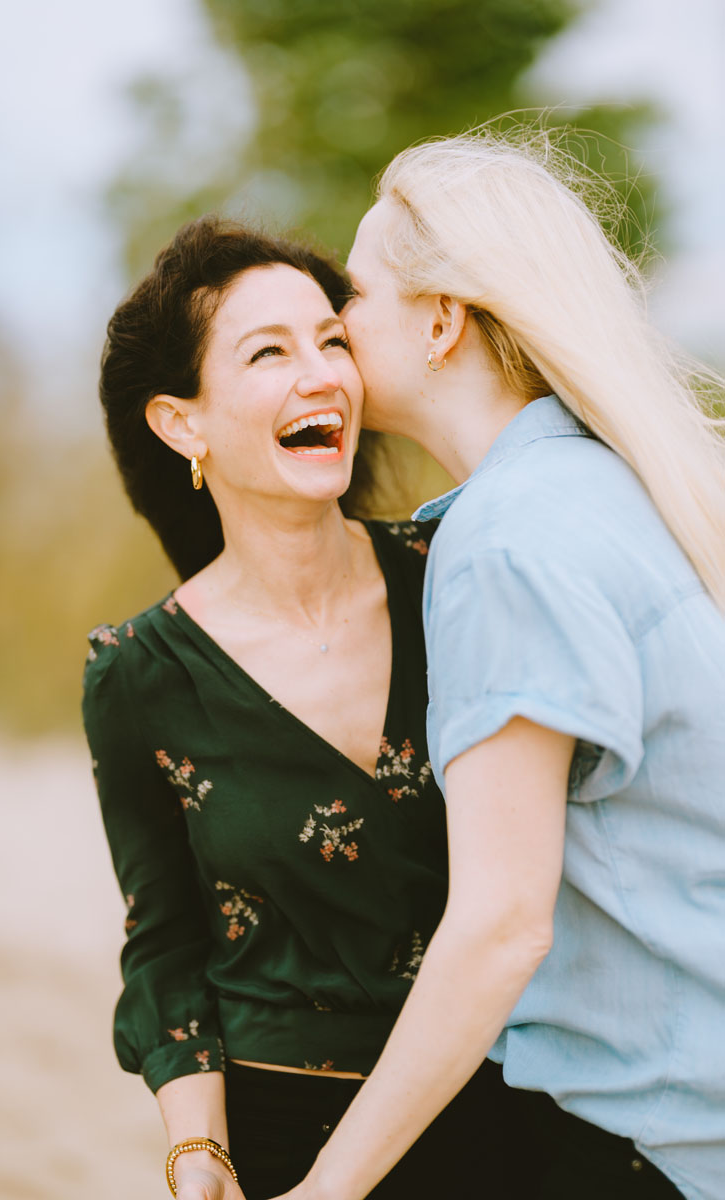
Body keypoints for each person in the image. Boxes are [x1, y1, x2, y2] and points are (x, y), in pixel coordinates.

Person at [271, 132, 725, 1200]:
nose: (331, 340)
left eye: (351, 303)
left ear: (442, 321)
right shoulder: (625, 490)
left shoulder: (508, 541)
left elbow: (502, 923)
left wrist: (327, 1189)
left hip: (635, 1146)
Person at [82, 216, 538, 1200]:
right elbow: (165, 940)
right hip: (281, 1137)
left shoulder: (460, 579)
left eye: (334, 340)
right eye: (270, 352)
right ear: (182, 422)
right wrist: (196, 1149)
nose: (322, 373)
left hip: (514, 1111)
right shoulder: (138, 672)